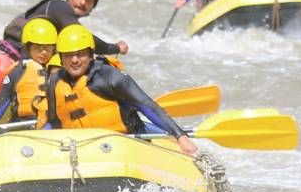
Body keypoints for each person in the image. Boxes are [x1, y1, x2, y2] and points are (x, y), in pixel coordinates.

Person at [39, 25, 197, 157]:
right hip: (83, 148)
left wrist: (180, 136)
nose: (75, 60)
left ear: (90, 55)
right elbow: (54, 122)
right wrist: (39, 140)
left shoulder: (110, 76)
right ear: (61, 58)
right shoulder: (55, 81)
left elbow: (146, 105)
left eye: (81, 54)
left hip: (125, 143)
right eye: (69, 55)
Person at [0, 0, 132, 91]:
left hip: (30, 65)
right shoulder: (57, 6)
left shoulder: (68, 23)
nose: (83, 2)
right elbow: (87, 40)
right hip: (8, 58)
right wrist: (116, 48)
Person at [0, 17, 58, 131]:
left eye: (48, 48)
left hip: (50, 126)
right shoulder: (17, 72)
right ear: (28, 48)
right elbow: (0, 106)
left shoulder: (59, 71)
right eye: (38, 48)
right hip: (22, 126)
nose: (43, 52)